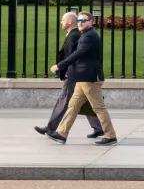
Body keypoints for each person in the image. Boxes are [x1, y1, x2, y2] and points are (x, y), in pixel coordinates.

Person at [46, 11, 117, 145]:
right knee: (73, 106)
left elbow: (79, 53)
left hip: (89, 77)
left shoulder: (89, 36)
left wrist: (60, 65)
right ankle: (62, 133)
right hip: (82, 77)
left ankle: (110, 135)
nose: (80, 23)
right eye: (78, 20)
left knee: (98, 108)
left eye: (83, 21)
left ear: (90, 22)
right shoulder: (85, 34)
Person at [34, 12, 102, 139]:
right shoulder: (76, 34)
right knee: (86, 101)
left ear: (70, 21)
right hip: (79, 74)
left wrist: (61, 67)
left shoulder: (74, 36)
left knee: (64, 100)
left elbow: (74, 56)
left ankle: (51, 128)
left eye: (63, 20)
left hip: (74, 74)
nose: (61, 22)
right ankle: (99, 127)